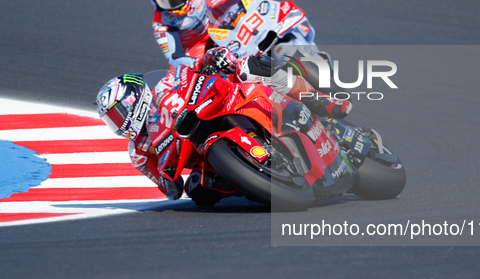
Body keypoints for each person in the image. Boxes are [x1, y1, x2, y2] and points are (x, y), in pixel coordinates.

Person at [95, 47, 351, 205]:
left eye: (118, 112)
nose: (119, 122)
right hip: (200, 149)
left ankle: (320, 101)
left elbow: (191, 66)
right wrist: (168, 181)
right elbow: (168, 189)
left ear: (133, 97)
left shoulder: (163, 85)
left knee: (249, 67)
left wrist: (213, 58)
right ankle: (264, 178)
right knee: (200, 192)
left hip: (219, 101)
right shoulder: (138, 152)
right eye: (112, 120)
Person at [149, 0, 283, 69]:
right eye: (164, 0)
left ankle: (270, 28)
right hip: (196, 48)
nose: (173, 5)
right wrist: (205, 62)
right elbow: (175, 58)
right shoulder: (160, 22)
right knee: (184, 74)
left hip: (215, 23)